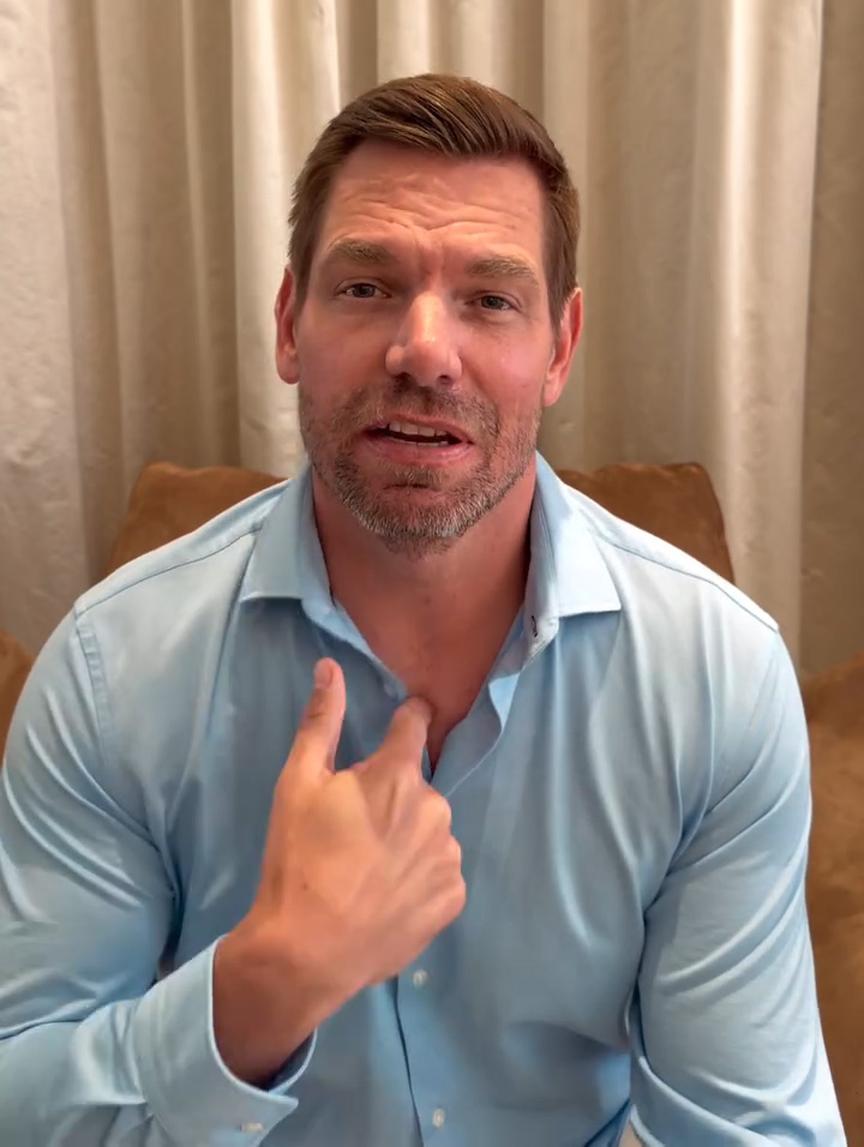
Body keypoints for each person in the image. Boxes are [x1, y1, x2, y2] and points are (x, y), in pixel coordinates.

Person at [0, 73, 845, 1147]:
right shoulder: (110, 671)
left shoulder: (718, 676)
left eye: (490, 299)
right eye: (367, 286)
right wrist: (264, 983)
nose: (426, 351)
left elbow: (748, 1129)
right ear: (289, 325)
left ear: (560, 348)